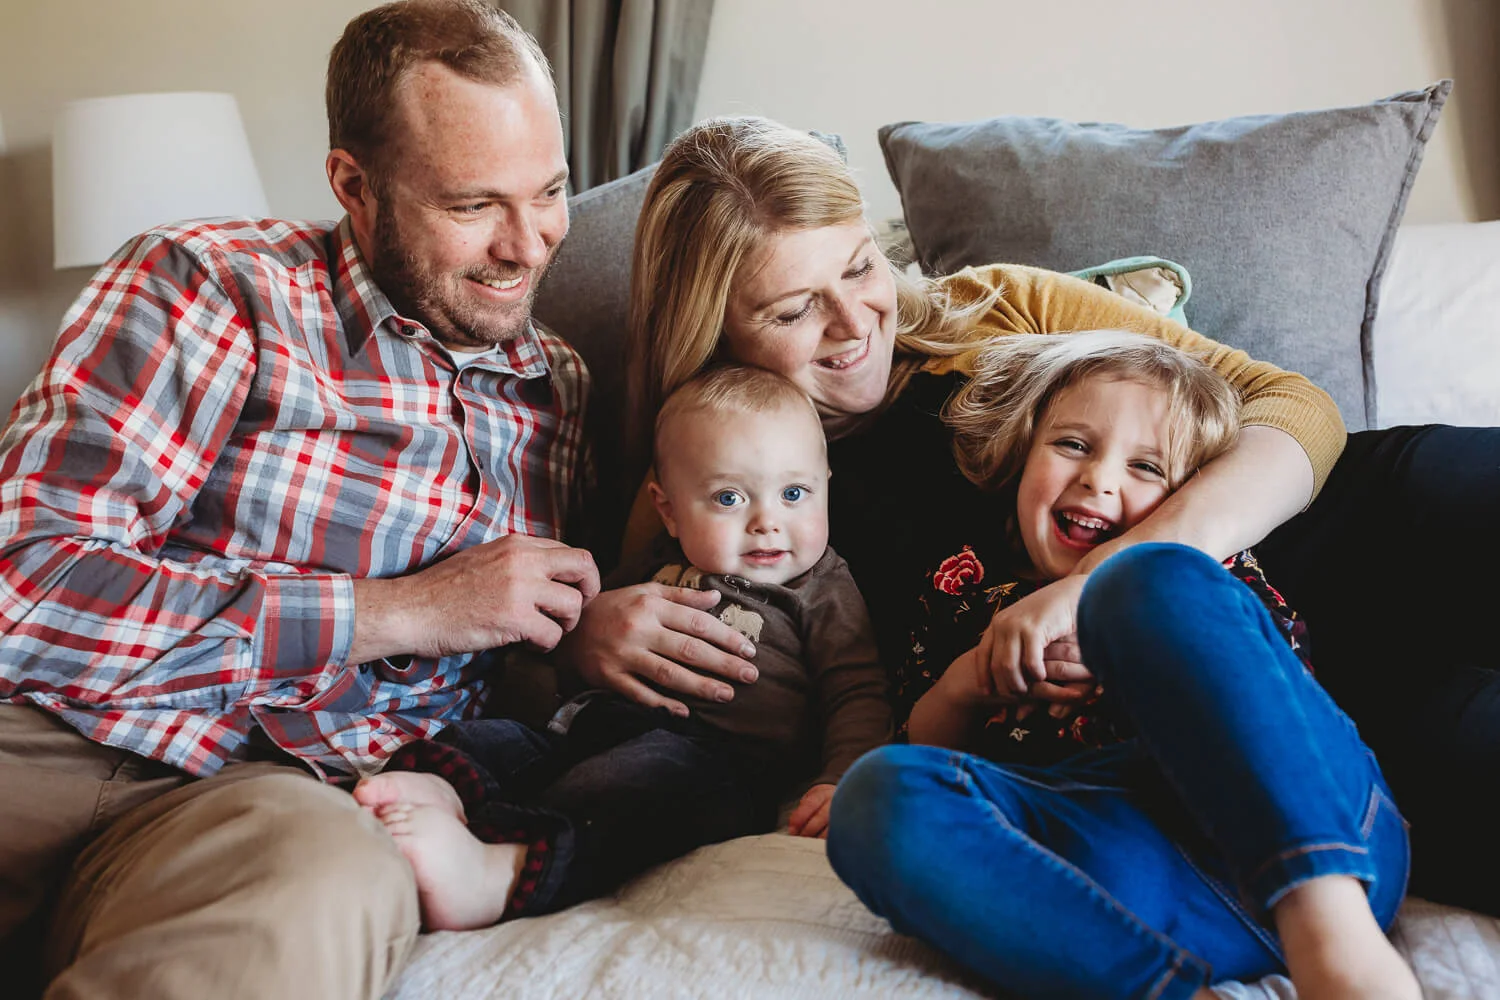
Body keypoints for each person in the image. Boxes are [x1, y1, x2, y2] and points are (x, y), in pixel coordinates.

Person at [555, 113, 1500, 919]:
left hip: (1366, 520)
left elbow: (1295, 406)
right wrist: (587, 637)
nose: (855, 323)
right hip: (1302, 701)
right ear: (714, 327)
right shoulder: (710, 477)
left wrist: (1110, 582)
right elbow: (641, 646)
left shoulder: (997, 307)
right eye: (795, 309)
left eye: (860, 267)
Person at [0, 2, 603, 997]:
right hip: (43, 738)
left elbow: (520, 662)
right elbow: (22, 587)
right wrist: (397, 610)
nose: (529, 245)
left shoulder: (561, 391)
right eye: (473, 206)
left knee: (326, 889)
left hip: (273, 806)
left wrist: (588, 631)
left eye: (550, 191)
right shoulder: (210, 284)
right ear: (353, 186)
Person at [824, 329, 1416, 999]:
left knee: (1145, 580)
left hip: (1328, 836)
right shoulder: (964, 589)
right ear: (1022, 451)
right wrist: (969, 682)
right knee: (876, 796)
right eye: (1073, 445)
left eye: (1147, 468)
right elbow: (926, 748)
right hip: (1137, 877)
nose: (1099, 479)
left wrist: (1118, 621)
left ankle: (1330, 937)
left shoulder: (1204, 567)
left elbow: (1274, 708)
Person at [349, 364, 890, 930]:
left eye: (794, 493)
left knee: (637, 791)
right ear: (668, 510)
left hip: (717, 760)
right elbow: (577, 632)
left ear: (827, 484)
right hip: (589, 724)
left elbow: (855, 691)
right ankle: (438, 788)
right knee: (492, 738)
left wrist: (842, 777)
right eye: (729, 497)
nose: (767, 522)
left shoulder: (821, 589)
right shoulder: (656, 564)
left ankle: (500, 871)